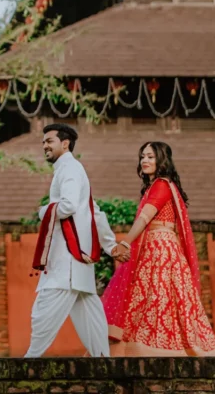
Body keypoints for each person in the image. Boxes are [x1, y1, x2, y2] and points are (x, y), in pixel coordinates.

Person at [101, 141, 215, 357]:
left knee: (157, 297)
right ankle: (142, 348)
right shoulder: (156, 186)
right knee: (152, 298)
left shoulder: (161, 185)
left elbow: (144, 218)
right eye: (142, 157)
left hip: (161, 250)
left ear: (162, 160)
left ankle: (158, 350)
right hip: (153, 248)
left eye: (150, 156)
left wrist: (124, 242)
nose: (145, 161)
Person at [25, 123, 130, 358]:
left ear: (65, 143)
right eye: (43, 142)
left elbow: (70, 206)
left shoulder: (69, 169)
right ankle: (104, 365)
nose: (44, 146)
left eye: (49, 141)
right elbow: (94, 212)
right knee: (91, 317)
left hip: (67, 260)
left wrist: (44, 211)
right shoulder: (71, 169)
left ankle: (27, 364)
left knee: (43, 311)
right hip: (78, 261)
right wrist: (110, 245)